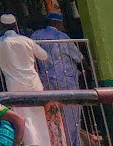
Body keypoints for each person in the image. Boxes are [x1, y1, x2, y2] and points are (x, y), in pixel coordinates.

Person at [0, 14, 50, 146]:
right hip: (34, 83)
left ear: (2, 27)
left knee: (23, 118)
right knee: (39, 117)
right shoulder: (27, 41)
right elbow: (44, 56)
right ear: (16, 25)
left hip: (16, 86)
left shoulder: (0, 43)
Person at [30, 13, 84, 146]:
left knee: (52, 117)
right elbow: (78, 58)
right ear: (57, 23)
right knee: (71, 118)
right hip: (65, 81)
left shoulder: (35, 35)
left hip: (45, 81)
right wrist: (86, 68)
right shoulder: (62, 36)